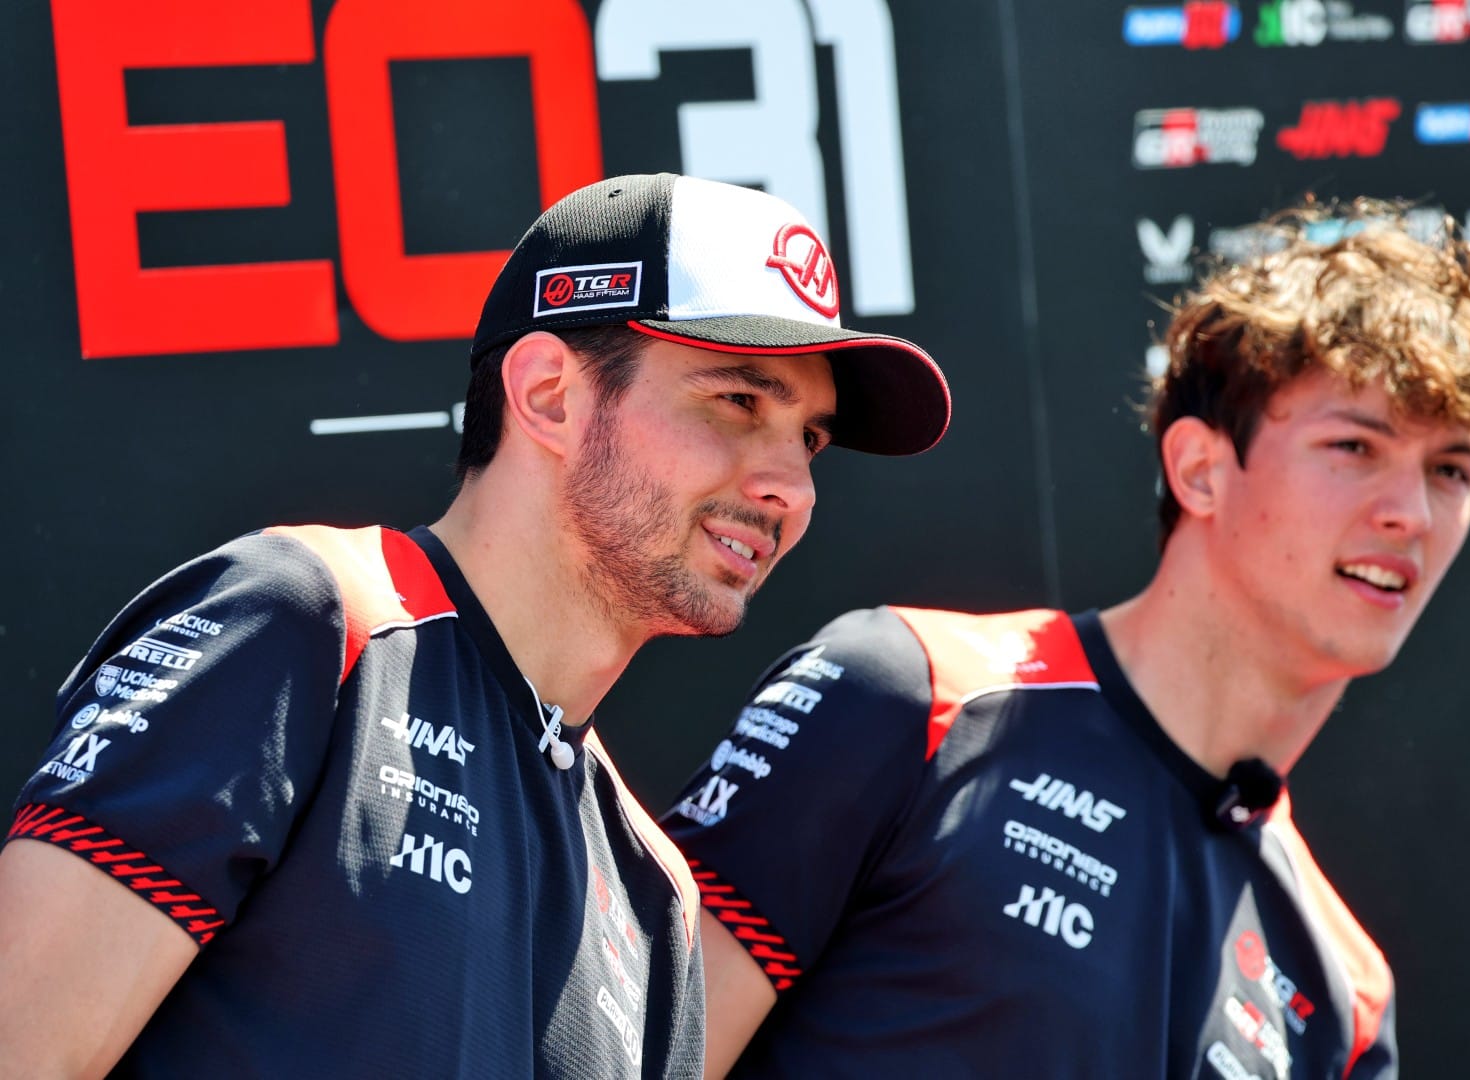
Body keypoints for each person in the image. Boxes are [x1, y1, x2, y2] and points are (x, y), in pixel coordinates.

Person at [0, 173, 950, 1078]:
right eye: (739, 400)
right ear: (549, 395)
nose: (791, 484)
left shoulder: (654, 890)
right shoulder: (311, 623)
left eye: (811, 440)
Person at [663, 198, 1470, 1079]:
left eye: (1450, 471)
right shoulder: (915, 695)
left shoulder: (1346, 994)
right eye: (1355, 448)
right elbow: (632, 1053)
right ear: (1200, 469)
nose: (1409, 514)